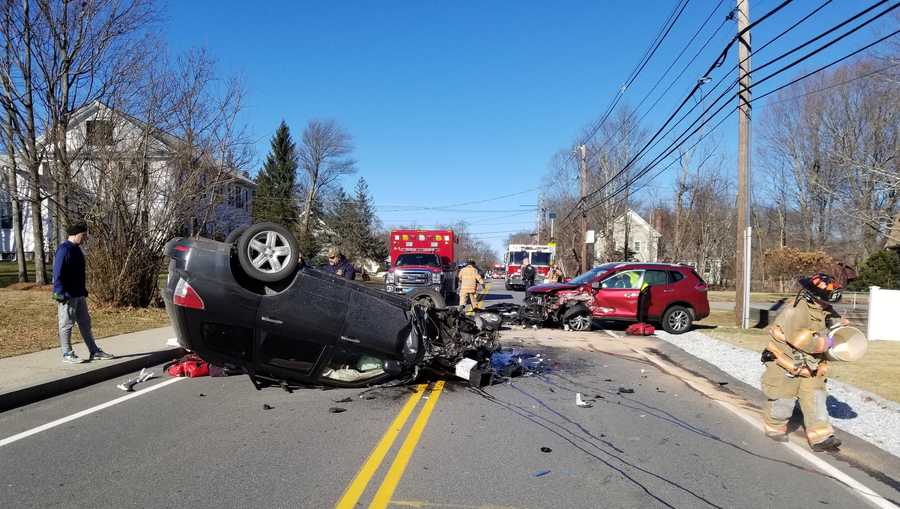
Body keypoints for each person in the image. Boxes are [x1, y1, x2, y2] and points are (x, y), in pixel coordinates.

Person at [761, 272, 848, 451]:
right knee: (783, 399)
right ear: (813, 296)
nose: (828, 305)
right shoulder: (796, 310)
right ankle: (775, 427)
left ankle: (821, 437)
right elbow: (802, 341)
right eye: (825, 301)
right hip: (786, 362)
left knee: (815, 398)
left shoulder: (822, 308)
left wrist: (841, 327)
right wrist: (828, 342)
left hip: (812, 364)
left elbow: (830, 321)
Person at [52, 221, 114, 364]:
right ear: (75, 235)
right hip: (67, 295)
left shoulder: (76, 249)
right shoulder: (64, 249)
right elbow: (57, 272)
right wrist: (58, 292)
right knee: (66, 324)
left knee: (85, 323)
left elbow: (78, 273)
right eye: (83, 235)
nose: (85, 238)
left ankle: (94, 351)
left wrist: (83, 289)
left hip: (78, 293)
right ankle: (67, 353)